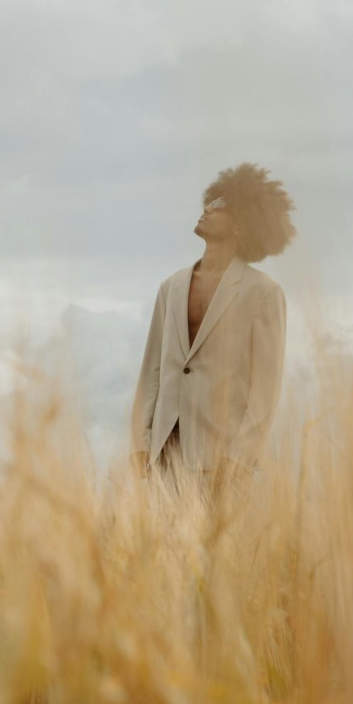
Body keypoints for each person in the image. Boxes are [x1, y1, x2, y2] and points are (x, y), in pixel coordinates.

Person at [130, 163, 294, 490]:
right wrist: (140, 441)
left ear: (242, 224)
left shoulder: (263, 293)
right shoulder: (171, 288)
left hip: (222, 456)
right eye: (209, 201)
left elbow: (266, 385)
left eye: (220, 205)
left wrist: (241, 455)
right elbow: (151, 371)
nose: (207, 208)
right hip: (165, 454)